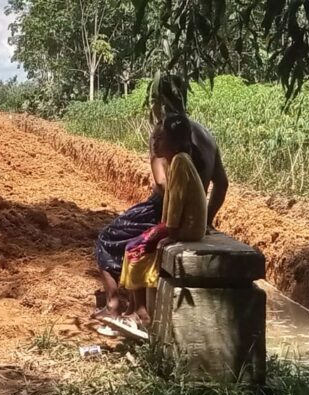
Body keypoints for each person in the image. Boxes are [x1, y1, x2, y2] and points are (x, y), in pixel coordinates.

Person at [92, 74, 229, 322]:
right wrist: (204, 219)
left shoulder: (164, 132)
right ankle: (134, 301)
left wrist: (172, 218)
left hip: (163, 210)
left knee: (107, 238)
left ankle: (115, 303)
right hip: (189, 216)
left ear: (158, 102)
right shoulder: (206, 134)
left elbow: (163, 183)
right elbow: (222, 183)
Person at [115, 115, 208, 338]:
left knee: (136, 248)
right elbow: (170, 201)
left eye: (160, 138)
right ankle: (133, 308)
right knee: (135, 244)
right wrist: (161, 228)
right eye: (154, 138)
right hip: (180, 226)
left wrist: (167, 231)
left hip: (186, 229)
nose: (154, 143)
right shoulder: (176, 160)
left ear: (174, 142)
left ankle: (141, 313)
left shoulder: (180, 161)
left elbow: (176, 201)